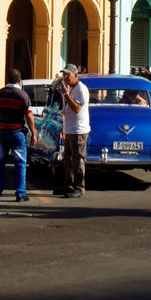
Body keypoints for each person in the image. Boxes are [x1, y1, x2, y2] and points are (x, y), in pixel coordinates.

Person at [0, 67, 36, 202]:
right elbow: (29, 116)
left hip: (2, 134)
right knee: (20, 164)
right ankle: (20, 194)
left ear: (6, 79)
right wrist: (33, 133)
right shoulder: (23, 96)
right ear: (19, 81)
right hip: (17, 134)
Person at [55, 62, 90, 198]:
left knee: (78, 159)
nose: (65, 77)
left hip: (78, 130)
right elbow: (66, 111)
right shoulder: (69, 88)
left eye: (68, 75)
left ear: (76, 75)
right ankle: (68, 185)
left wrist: (66, 95)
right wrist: (63, 128)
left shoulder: (81, 89)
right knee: (67, 160)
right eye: (64, 74)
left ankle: (79, 187)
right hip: (70, 129)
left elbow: (76, 109)